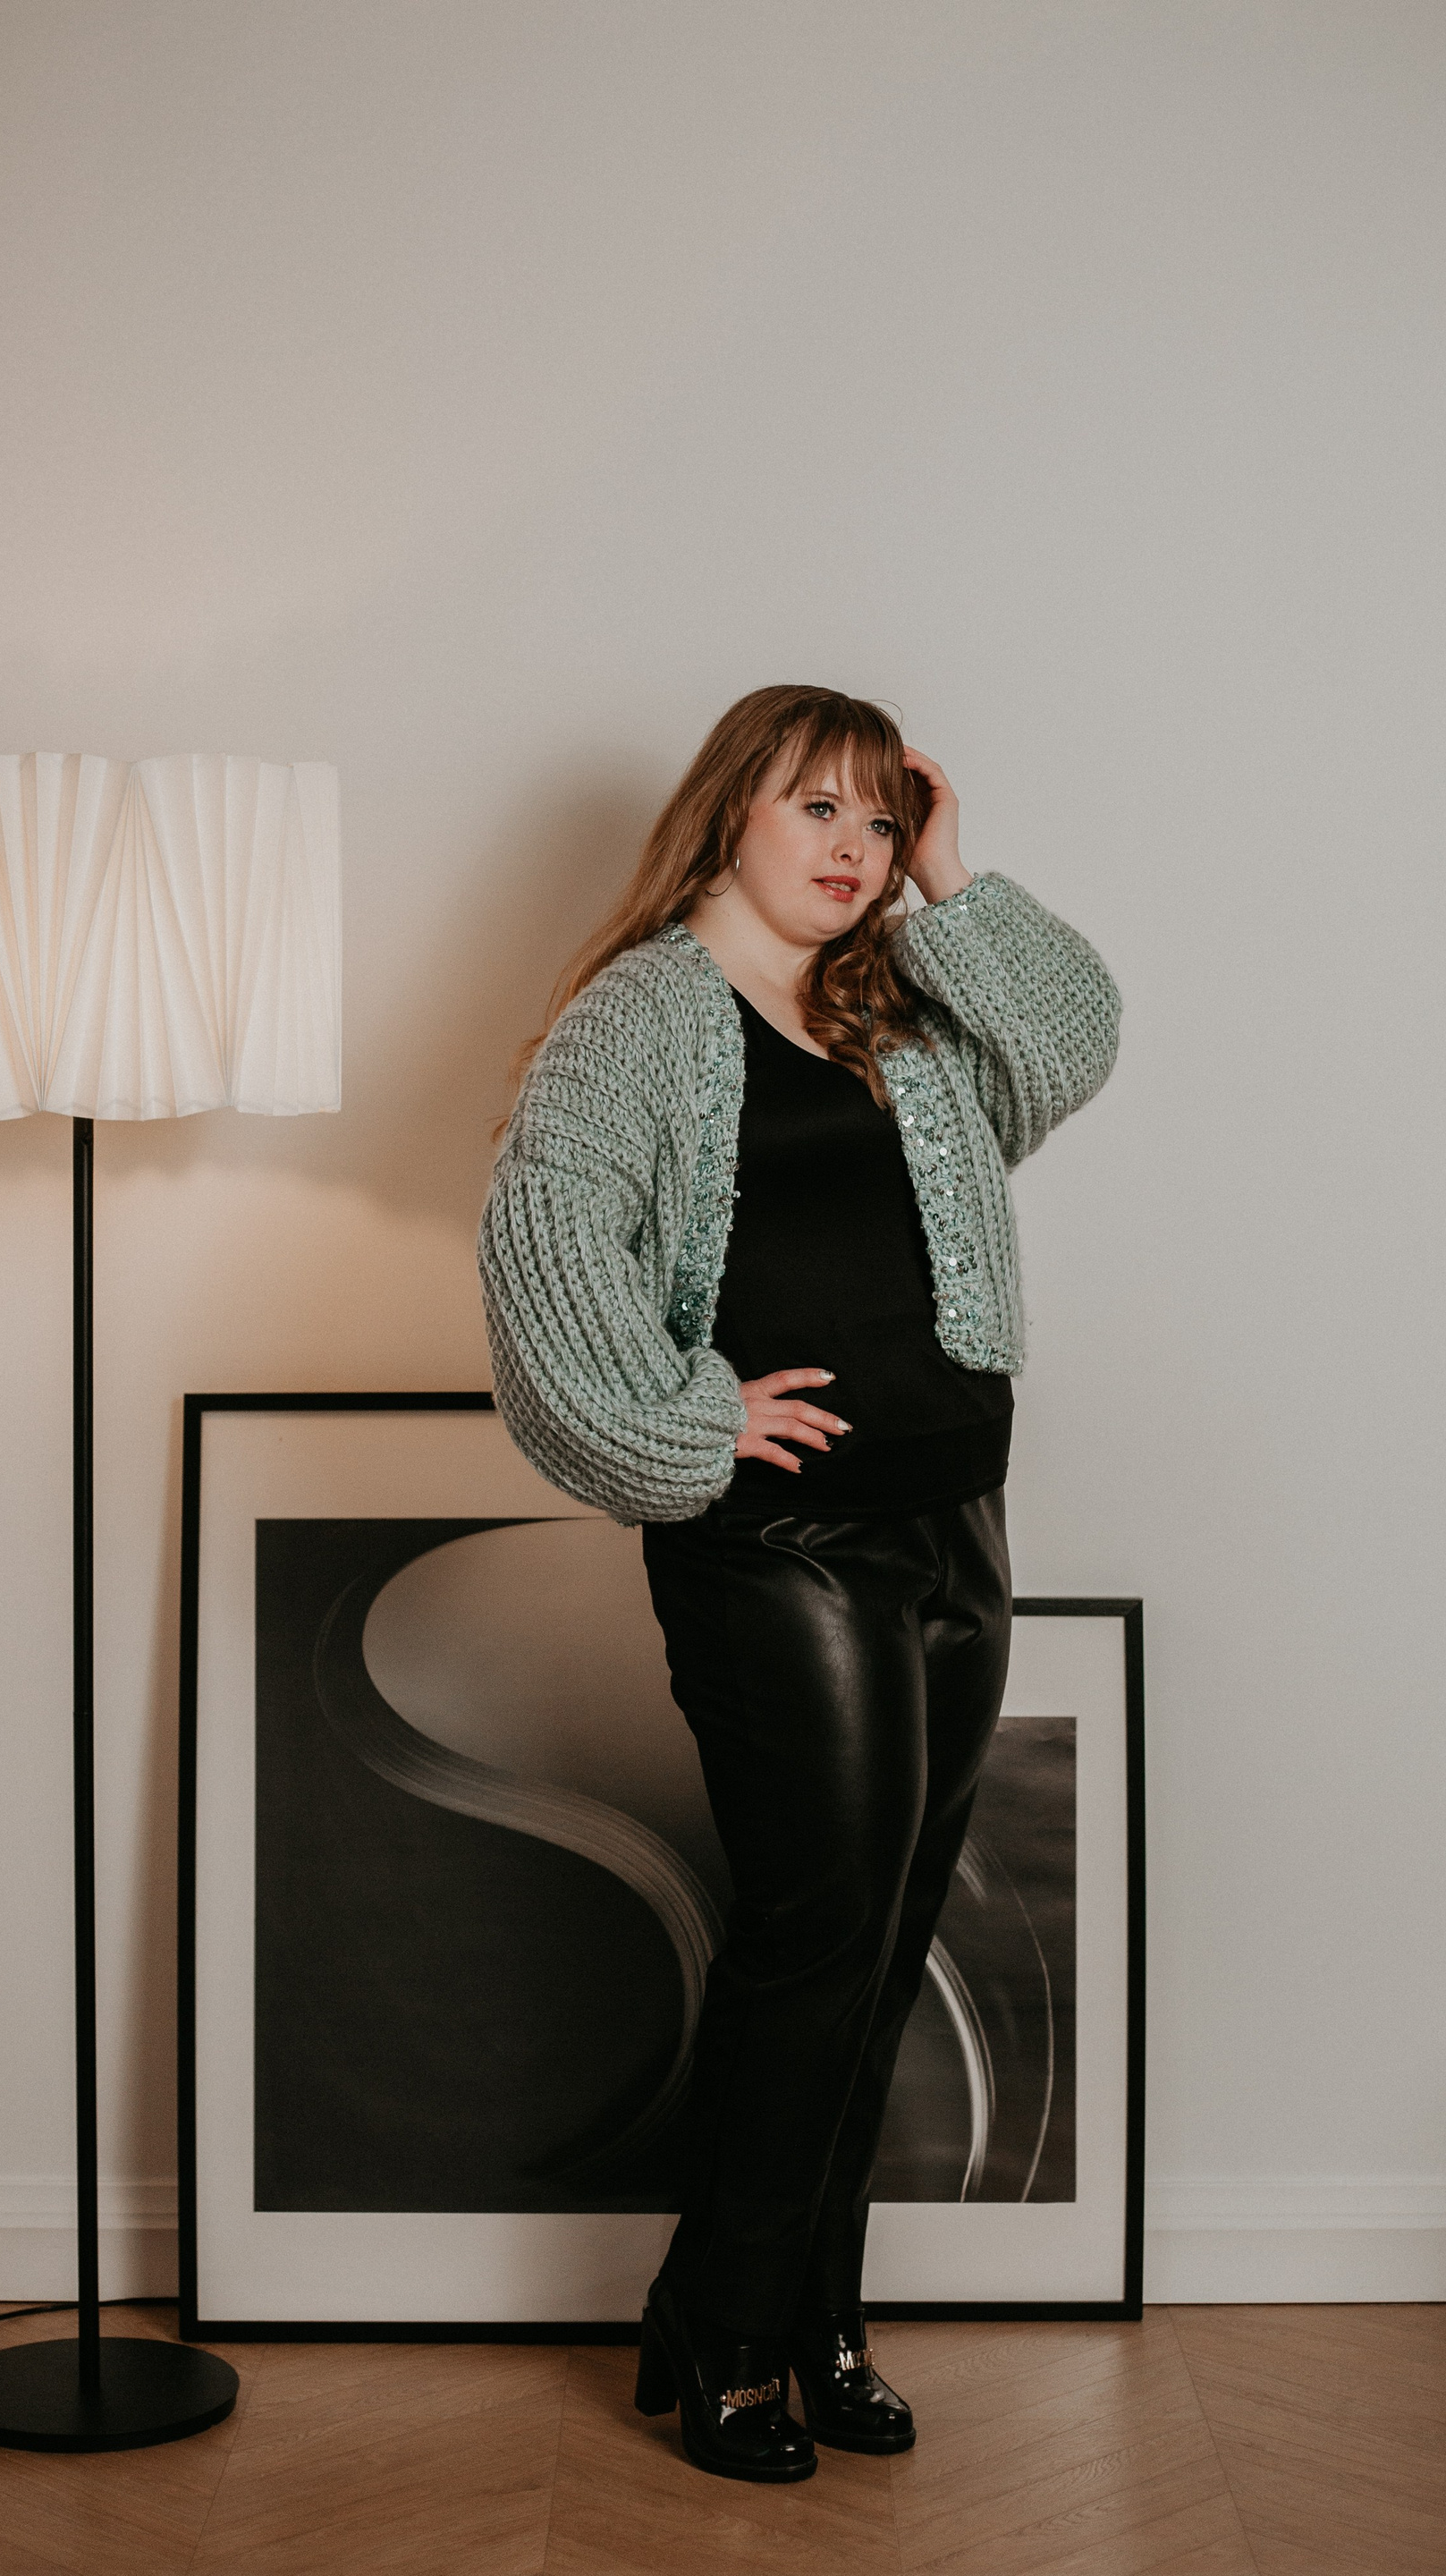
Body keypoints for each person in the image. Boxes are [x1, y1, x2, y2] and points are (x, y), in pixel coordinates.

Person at [478, 683, 1120, 2483]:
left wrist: (958, 876)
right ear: (728, 815)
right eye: (817, 807)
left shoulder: (897, 1006)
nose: (855, 846)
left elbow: (1073, 1043)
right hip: (785, 1550)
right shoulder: (641, 1017)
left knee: (887, 1944)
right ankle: (730, 2324)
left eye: (880, 818)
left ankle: (818, 2318)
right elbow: (542, 1237)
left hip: (955, 1523)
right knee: (814, 1943)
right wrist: (690, 1422)